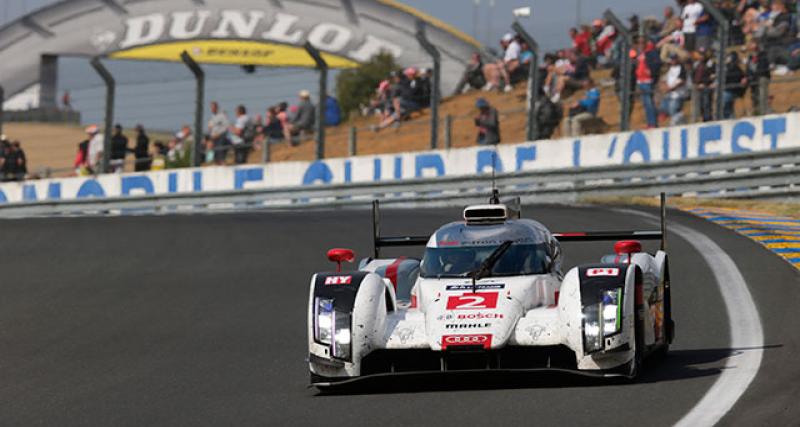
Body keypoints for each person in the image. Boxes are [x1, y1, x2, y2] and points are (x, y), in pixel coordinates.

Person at [633, 38, 662, 128]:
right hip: (640, 80)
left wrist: (651, 71)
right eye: (638, 43)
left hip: (647, 81)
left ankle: (653, 122)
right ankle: (650, 122)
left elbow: (658, 63)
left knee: (649, 103)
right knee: (645, 103)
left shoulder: (650, 52)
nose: (640, 45)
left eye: (642, 43)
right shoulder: (640, 54)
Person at [659, 54, 689, 125]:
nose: (672, 61)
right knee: (664, 108)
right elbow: (664, 79)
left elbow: (682, 80)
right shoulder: (669, 68)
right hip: (669, 93)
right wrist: (665, 86)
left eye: (674, 59)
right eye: (671, 60)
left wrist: (672, 87)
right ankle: (677, 120)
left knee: (673, 109)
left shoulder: (681, 68)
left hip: (678, 93)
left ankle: (677, 122)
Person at [743, 41, 771, 115]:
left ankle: (763, 111)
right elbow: (748, 69)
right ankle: (756, 112)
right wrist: (747, 77)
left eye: (753, 43)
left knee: (762, 95)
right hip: (754, 79)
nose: (751, 46)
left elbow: (762, 68)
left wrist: (752, 76)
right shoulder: (750, 57)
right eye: (750, 44)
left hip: (762, 77)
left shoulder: (763, 55)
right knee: (754, 97)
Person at [691, 48, 714, 122]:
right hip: (697, 86)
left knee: (706, 103)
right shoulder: (696, 64)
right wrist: (696, 83)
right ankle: (700, 118)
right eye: (700, 54)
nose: (701, 56)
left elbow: (712, 75)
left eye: (703, 54)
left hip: (706, 86)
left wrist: (705, 83)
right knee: (699, 105)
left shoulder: (709, 63)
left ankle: (707, 119)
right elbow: (693, 75)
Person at [722, 51, 746, 119]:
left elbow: (741, 78)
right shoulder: (730, 68)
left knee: (726, 109)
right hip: (729, 90)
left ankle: (729, 121)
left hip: (729, 91)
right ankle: (729, 119)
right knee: (728, 109)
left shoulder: (733, 68)